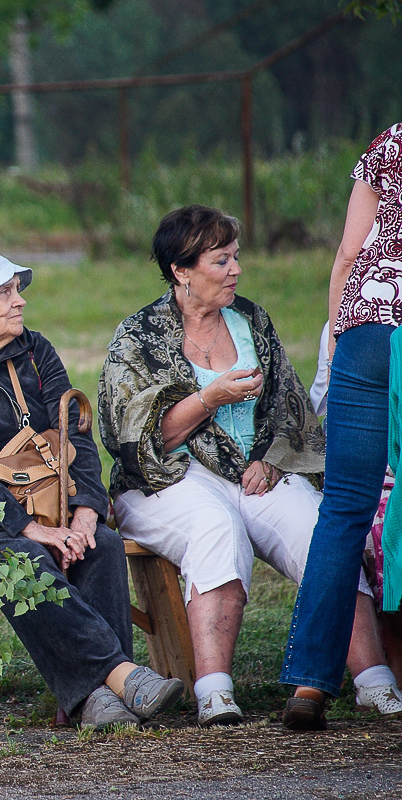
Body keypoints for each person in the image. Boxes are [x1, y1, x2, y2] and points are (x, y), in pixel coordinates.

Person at [98, 204, 401, 728]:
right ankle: (214, 692)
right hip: (167, 478)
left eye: (236, 257)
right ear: (181, 271)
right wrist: (208, 398)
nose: (236, 269)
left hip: (253, 472)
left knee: (321, 532)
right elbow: (137, 440)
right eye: (221, 260)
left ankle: (373, 681)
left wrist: (272, 459)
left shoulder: (252, 321)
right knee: (216, 528)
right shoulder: (139, 337)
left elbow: (290, 409)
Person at [0, 246, 184, 729]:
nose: (20, 302)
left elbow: (74, 432)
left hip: (46, 495)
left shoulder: (34, 351)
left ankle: (96, 702)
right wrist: (27, 527)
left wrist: (88, 508)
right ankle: (121, 678)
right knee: (23, 559)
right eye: (5, 293)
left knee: (102, 545)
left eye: (17, 290)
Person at [281, 123, 402, 729]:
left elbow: (350, 252)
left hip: (366, 330)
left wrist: (337, 344)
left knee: (345, 505)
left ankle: (308, 684)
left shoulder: (390, 143)